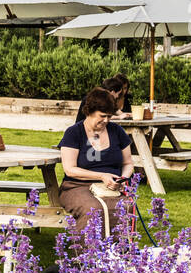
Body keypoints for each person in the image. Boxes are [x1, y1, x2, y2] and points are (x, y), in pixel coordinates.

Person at [58, 87, 135, 230]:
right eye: (102, 116)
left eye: (110, 116)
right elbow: (70, 170)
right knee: (93, 208)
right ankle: (89, 251)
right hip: (77, 186)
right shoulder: (74, 132)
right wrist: (101, 175)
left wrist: (122, 179)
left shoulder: (117, 131)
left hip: (110, 186)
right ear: (89, 112)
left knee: (126, 206)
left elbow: (128, 163)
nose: (106, 120)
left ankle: (120, 250)